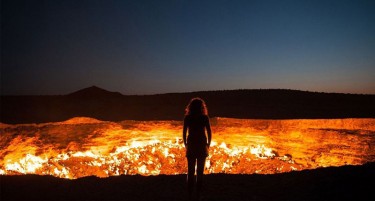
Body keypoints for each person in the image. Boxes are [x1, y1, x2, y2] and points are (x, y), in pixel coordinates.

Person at [182, 97, 212, 200]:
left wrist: (186, 144)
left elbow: (184, 133)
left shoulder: (187, 118)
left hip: (191, 145)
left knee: (190, 172)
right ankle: (198, 195)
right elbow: (209, 132)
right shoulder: (204, 118)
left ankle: (190, 194)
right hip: (201, 146)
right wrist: (208, 145)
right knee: (200, 172)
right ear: (201, 107)